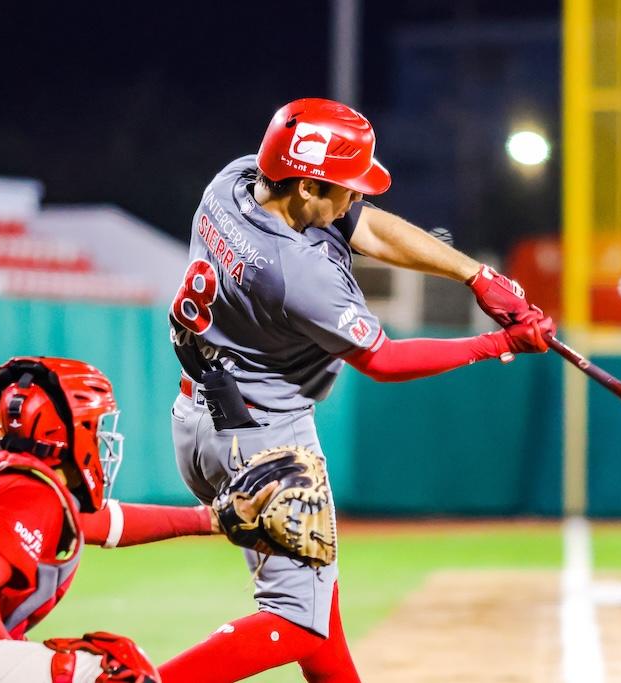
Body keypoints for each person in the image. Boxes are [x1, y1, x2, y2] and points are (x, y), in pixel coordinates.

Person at [163, 97, 553, 682]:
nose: (357, 196)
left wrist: (478, 275)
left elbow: (367, 226)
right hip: (266, 447)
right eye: (345, 187)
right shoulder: (299, 271)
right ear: (306, 189)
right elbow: (386, 360)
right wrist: (497, 345)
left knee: (321, 613)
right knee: (296, 621)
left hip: (201, 422)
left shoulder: (235, 181)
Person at [0, 356, 271, 682]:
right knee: (117, 671)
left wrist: (214, 519)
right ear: (68, 429)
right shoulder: (31, 493)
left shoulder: (3, 483)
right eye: (94, 424)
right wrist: (9, 654)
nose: (101, 436)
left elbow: (104, 522)